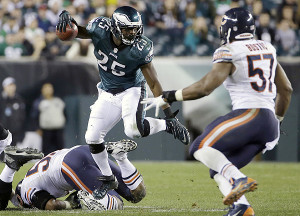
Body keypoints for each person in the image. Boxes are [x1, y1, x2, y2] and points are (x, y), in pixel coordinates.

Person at [142, 7, 293, 216]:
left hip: (249, 114)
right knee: (218, 167)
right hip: (268, 123)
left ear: (230, 28)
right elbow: (286, 90)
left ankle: (238, 179)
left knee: (199, 146)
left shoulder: (230, 50)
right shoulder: (267, 47)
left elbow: (205, 87)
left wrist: (169, 95)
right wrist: (277, 121)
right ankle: (241, 207)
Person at [56, 5, 190, 198]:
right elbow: (79, 32)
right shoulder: (100, 28)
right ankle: (108, 178)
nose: (132, 32)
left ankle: (166, 125)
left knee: (133, 130)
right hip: (107, 91)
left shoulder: (141, 48)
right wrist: (68, 19)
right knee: (92, 137)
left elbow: (153, 82)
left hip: (131, 89)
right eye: (128, 29)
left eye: (135, 28)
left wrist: (170, 115)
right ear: (115, 27)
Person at [0, 139, 145, 211]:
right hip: (84, 151)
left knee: (117, 205)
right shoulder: (30, 177)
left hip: (71, 165)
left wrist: (71, 203)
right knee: (137, 193)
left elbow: (52, 204)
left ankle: (87, 199)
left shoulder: (26, 192)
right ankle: (121, 157)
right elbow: (11, 196)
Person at [38, 83, 66, 155]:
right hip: (46, 130)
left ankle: (60, 165)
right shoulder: (39, 102)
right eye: (46, 88)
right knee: (46, 150)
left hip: (58, 129)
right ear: (42, 90)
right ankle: (47, 165)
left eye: (50, 88)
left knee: (60, 150)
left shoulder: (58, 101)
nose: (48, 90)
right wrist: (37, 128)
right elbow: (35, 116)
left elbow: (65, 113)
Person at [0, 77, 26, 147]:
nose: (11, 87)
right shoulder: (1, 100)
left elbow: (22, 117)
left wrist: (21, 132)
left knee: (12, 155)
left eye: (13, 85)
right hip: (2, 134)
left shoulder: (19, 99)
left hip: (15, 134)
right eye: (9, 85)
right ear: (4, 87)